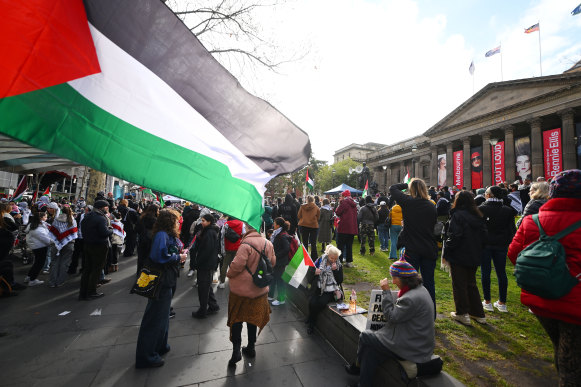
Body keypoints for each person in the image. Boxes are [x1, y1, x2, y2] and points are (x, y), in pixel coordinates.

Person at [507, 170, 581, 385]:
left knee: (563, 350)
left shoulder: (532, 220)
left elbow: (514, 255)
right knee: (571, 362)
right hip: (574, 302)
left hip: (541, 299)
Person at [345, 260, 435, 387]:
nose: (393, 282)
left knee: (365, 336)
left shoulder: (410, 298)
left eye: (394, 278)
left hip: (412, 347)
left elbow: (391, 317)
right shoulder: (421, 290)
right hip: (416, 341)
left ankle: (357, 366)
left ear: (404, 279)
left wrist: (386, 292)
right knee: (370, 352)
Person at [135, 209, 187, 369]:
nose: (178, 223)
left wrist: (179, 253)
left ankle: (159, 346)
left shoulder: (164, 235)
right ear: (170, 222)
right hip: (161, 280)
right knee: (155, 318)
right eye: (176, 221)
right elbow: (158, 256)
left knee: (162, 316)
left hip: (167, 279)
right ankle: (146, 356)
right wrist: (178, 257)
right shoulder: (161, 235)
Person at [226, 224, 275, 367]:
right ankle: (251, 348)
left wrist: (228, 274)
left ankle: (236, 351)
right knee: (252, 318)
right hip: (259, 290)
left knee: (237, 318)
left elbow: (237, 266)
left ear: (247, 229)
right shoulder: (268, 243)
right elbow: (272, 263)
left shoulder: (245, 244)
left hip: (240, 290)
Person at [389, 179, 438, 314]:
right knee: (429, 283)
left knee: (409, 282)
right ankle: (430, 314)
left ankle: (408, 311)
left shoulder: (408, 202)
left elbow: (393, 188)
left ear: (412, 190)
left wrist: (407, 184)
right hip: (428, 247)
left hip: (413, 247)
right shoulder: (431, 205)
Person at [443, 191, 487, 326]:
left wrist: (448, 249)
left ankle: (462, 313)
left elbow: (455, 235)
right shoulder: (478, 215)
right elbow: (484, 236)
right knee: (471, 284)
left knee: (459, 284)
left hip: (459, 253)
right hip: (474, 253)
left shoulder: (458, 215)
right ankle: (478, 313)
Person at [478, 186, 517, 313]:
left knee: (486, 272)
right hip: (501, 245)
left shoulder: (482, 209)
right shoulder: (508, 210)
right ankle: (502, 302)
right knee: (501, 273)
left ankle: (487, 301)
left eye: (486, 193)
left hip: (485, 244)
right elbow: (512, 230)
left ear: (489, 195)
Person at [305, 245, 343, 334]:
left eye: (335, 258)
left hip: (330, 291)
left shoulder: (338, 264)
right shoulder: (320, 260)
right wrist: (315, 272)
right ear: (327, 255)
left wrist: (335, 271)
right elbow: (310, 270)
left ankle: (311, 323)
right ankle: (310, 319)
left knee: (320, 303)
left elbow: (340, 280)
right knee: (311, 302)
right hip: (318, 287)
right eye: (332, 258)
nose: (333, 260)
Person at [79, 200, 112, 300]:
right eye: (106, 207)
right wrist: (111, 230)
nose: (108, 208)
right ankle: (91, 292)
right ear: (101, 207)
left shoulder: (87, 216)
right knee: (96, 269)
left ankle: (83, 292)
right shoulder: (101, 218)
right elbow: (104, 232)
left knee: (87, 269)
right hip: (99, 246)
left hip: (88, 244)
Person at [190, 213, 220, 318]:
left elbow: (206, 251)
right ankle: (213, 306)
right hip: (207, 264)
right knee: (206, 287)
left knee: (203, 288)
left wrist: (198, 263)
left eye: (203, 221)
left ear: (209, 222)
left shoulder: (209, 232)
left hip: (206, 265)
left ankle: (202, 311)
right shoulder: (207, 231)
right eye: (201, 220)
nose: (201, 222)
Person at [47, 205, 78, 287]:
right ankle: (60, 281)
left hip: (55, 243)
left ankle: (52, 282)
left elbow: (53, 231)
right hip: (69, 243)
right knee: (65, 263)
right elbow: (74, 233)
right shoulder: (72, 220)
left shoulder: (56, 219)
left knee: (54, 262)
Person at [24, 212, 51, 286]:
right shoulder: (37, 229)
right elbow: (47, 240)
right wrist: (54, 242)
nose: (46, 218)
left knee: (37, 263)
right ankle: (32, 280)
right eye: (45, 217)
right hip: (40, 247)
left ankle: (29, 277)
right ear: (41, 218)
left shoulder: (32, 225)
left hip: (36, 246)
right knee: (39, 264)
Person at [269, 217, 291, 306]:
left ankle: (281, 299)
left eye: (274, 223)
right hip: (277, 261)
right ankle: (270, 295)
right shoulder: (277, 233)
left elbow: (286, 248)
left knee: (280, 280)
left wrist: (276, 255)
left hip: (280, 262)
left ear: (278, 225)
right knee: (274, 278)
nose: (273, 224)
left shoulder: (282, 235)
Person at [218, 216, 244, 289]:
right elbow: (243, 235)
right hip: (237, 247)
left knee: (225, 264)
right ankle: (235, 280)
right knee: (235, 264)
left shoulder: (226, 224)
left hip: (227, 247)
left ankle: (222, 282)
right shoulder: (241, 223)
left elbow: (222, 236)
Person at [335, 190, 358, 267]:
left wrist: (339, 204)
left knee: (340, 245)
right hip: (351, 228)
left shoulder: (344, 202)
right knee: (349, 245)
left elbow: (338, 212)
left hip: (344, 227)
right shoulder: (353, 203)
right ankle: (348, 261)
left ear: (344, 196)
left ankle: (339, 261)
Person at [135, 204, 159, 274]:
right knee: (149, 257)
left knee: (141, 256)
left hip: (142, 239)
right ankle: (146, 272)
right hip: (151, 240)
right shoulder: (155, 219)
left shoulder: (141, 217)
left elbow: (136, 229)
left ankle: (139, 271)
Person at [297, 195, 320, 260]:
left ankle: (305, 257)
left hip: (304, 225)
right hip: (313, 226)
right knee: (313, 243)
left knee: (304, 242)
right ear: (313, 200)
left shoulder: (302, 206)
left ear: (307, 200)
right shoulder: (316, 207)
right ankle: (314, 258)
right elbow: (318, 217)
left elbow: (298, 216)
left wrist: (304, 218)